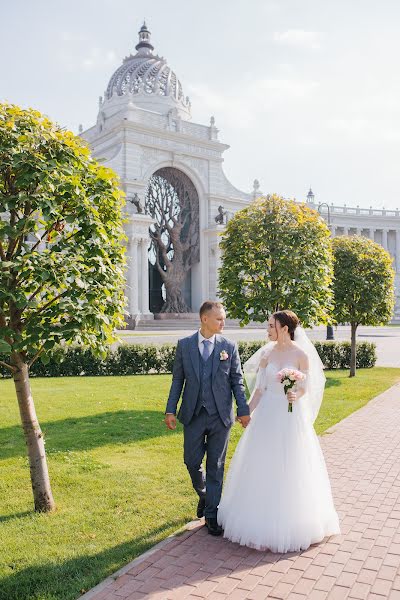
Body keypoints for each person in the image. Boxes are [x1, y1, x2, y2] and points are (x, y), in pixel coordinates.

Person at [217, 310, 340, 552]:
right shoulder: (267, 352)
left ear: (284, 328)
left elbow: (308, 386)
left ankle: (293, 521)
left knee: (290, 463)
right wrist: (247, 412)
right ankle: (256, 516)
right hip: (266, 416)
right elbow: (260, 389)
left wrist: (297, 394)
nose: (268, 330)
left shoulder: (300, 354)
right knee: (262, 462)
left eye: (271, 326)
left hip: (289, 416)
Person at [165, 301, 250, 536]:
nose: (223, 322)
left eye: (223, 318)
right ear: (204, 319)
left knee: (216, 465)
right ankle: (204, 495)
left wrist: (243, 410)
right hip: (192, 414)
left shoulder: (229, 346)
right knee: (191, 461)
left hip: (220, 416)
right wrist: (170, 410)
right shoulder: (184, 346)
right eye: (219, 319)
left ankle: (212, 514)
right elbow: (177, 381)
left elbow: (237, 381)